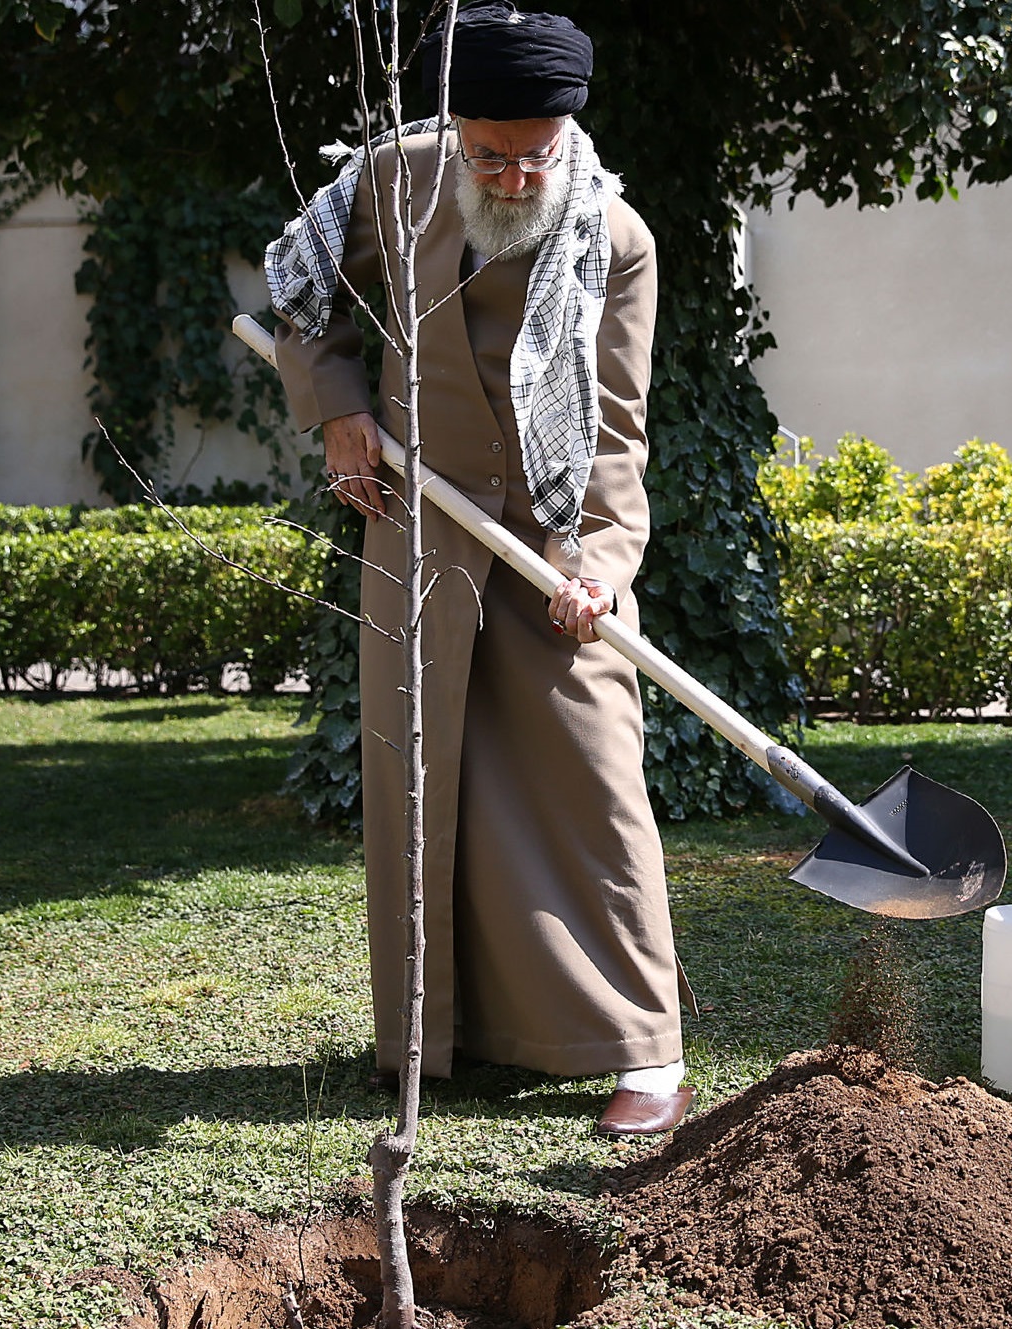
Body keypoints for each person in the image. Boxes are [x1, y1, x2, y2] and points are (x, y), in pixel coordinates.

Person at [262, 3, 691, 1137]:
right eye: (488, 151)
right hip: (415, 526)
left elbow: (615, 432)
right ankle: (436, 1038)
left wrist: (595, 566)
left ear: (567, 133)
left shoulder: (620, 239)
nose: (510, 173)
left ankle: (644, 1050)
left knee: (591, 780)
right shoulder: (392, 180)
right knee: (425, 783)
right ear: (454, 128)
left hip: (551, 538)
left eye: (532, 154)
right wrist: (341, 415)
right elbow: (309, 302)